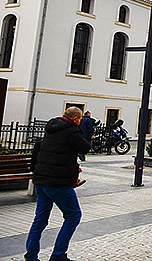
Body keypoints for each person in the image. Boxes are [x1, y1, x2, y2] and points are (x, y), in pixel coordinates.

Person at [25, 107, 91, 261]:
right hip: (57, 182)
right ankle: (58, 255)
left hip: (41, 179)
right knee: (73, 215)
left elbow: (58, 151)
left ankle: (31, 256)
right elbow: (85, 147)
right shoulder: (71, 130)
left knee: (40, 219)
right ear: (75, 118)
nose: (80, 122)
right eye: (80, 119)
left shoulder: (51, 128)